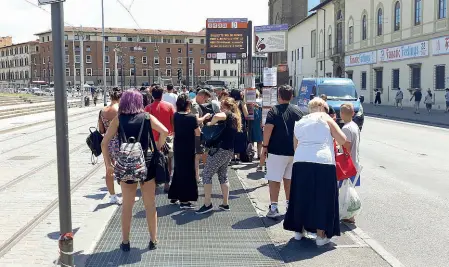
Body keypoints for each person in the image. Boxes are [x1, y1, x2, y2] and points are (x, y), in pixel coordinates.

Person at [101, 89, 168, 251]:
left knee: (127, 206)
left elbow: (104, 143)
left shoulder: (119, 119)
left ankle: (125, 242)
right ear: (140, 102)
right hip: (146, 162)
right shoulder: (146, 117)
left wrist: (109, 164)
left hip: (126, 164)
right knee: (150, 204)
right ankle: (153, 240)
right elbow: (164, 131)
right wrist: (158, 148)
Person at [283, 97, 346, 246]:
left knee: (301, 196)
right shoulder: (325, 118)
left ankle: (298, 231)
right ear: (323, 108)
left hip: (301, 162)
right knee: (322, 198)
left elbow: (295, 146)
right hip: (323, 162)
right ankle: (320, 236)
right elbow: (342, 139)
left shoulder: (300, 121)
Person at [262, 85, 303, 219]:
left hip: (276, 150)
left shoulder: (274, 110)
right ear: (291, 96)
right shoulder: (298, 111)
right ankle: (289, 206)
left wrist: (265, 146)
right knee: (289, 179)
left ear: (279, 96)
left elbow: (268, 128)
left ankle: (274, 207)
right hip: (294, 151)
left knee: (274, 179)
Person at [196, 97, 241, 214]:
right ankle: (225, 203)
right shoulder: (235, 118)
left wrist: (211, 123)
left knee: (206, 174)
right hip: (229, 150)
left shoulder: (228, 114)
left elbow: (216, 117)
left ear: (228, 107)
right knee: (223, 175)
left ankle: (207, 204)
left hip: (220, 150)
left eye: (222, 106)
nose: (220, 108)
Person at [168, 94, 200, 209]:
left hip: (178, 146)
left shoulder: (175, 116)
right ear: (188, 104)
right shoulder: (192, 117)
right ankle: (184, 200)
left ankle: (174, 195)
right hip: (188, 146)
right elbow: (197, 133)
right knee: (187, 172)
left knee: (178, 170)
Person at [145, 85, 175, 193]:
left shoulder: (148, 108)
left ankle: (155, 182)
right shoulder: (170, 106)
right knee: (168, 160)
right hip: (167, 137)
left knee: (153, 160)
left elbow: (146, 125)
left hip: (153, 138)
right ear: (162, 95)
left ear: (152, 95)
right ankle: (167, 182)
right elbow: (173, 122)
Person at [98, 88, 122, 205]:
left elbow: (101, 129)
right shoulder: (120, 111)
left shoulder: (102, 111)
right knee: (124, 168)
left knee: (109, 169)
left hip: (107, 143)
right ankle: (126, 194)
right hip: (119, 142)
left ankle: (113, 196)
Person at [339, 103, 361, 224]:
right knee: (349, 190)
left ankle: (349, 215)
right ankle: (349, 215)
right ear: (353, 113)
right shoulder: (355, 126)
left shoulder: (346, 128)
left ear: (341, 114)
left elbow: (346, 147)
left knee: (346, 191)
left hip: (348, 165)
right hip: (355, 162)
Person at [191, 89, 213, 182]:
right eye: (205, 100)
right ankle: (197, 177)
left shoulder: (193, 103)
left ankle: (202, 173)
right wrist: (205, 116)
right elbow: (196, 121)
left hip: (195, 132)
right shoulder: (195, 105)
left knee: (201, 153)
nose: (204, 102)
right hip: (196, 132)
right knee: (197, 156)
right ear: (202, 96)